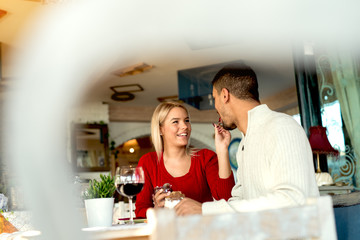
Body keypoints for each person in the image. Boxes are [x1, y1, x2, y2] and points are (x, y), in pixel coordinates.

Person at [175, 63, 319, 216]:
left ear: (225, 95)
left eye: (215, 98)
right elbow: (239, 200)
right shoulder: (245, 143)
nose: (215, 107)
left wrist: (205, 210)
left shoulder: (282, 127)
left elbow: (294, 200)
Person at [135, 101, 235, 218]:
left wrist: (222, 150)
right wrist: (156, 210)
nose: (184, 126)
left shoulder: (206, 158)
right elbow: (140, 212)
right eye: (175, 122)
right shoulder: (148, 162)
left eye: (186, 120)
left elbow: (226, 200)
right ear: (161, 129)